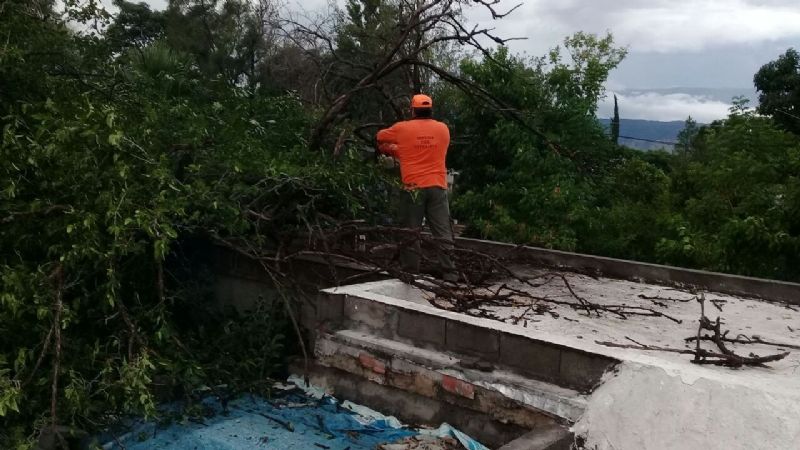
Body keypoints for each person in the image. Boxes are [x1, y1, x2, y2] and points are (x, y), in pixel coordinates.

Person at [376, 94, 457, 282]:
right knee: (443, 231)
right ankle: (450, 273)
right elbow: (428, 149)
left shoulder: (402, 128)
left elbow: (380, 137)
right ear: (431, 110)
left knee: (411, 231)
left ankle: (411, 272)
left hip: (413, 188)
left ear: (412, 110)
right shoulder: (443, 129)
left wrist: (391, 149)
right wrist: (402, 150)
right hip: (438, 187)